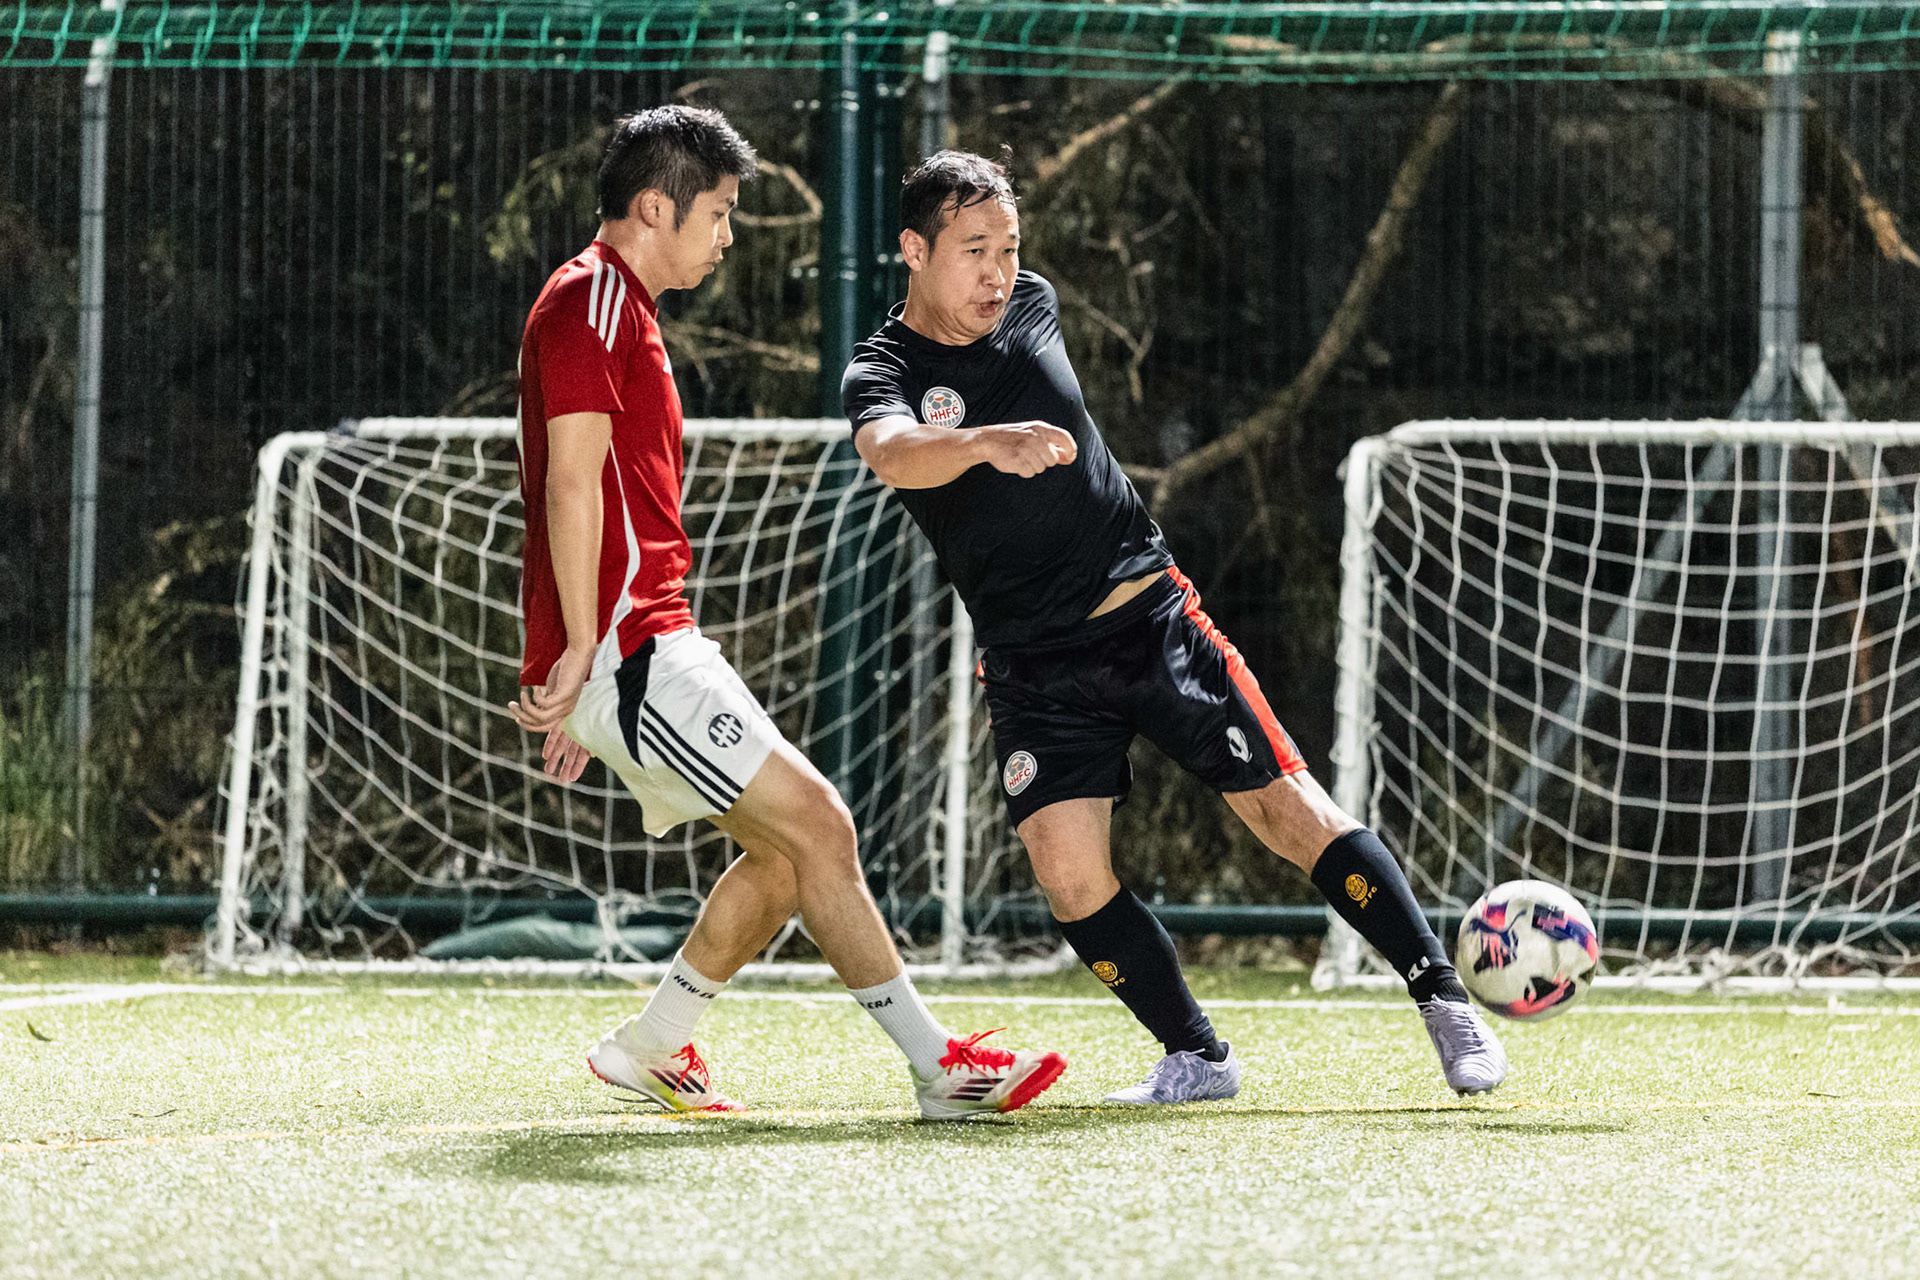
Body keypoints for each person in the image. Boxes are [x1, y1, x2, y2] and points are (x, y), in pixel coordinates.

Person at [841, 149, 1506, 1103]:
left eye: (1009, 246)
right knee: (1067, 877)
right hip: (1031, 664)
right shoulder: (882, 366)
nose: (997, 271)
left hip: (1147, 621)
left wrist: (1003, 422)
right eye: (973, 249)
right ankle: (1197, 1055)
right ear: (913, 249)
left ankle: (1446, 1002)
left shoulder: (1032, 304)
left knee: (1286, 812)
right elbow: (894, 453)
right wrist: (987, 444)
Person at [509, 110, 1066, 1121]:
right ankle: (941, 1066)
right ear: (652, 207)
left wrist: (584, 667)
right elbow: (572, 486)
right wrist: (589, 652)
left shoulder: (615, 307)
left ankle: (651, 1044)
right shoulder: (591, 297)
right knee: (819, 826)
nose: (727, 233)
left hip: (635, 647)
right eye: (717, 212)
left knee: (780, 852)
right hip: (635, 645)